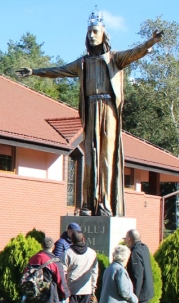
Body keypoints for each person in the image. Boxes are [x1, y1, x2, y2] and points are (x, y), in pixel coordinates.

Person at [17, 13, 163, 216]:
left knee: (106, 156)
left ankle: (105, 205)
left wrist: (151, 41)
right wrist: (34, 71)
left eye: (96, 31)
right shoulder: (83, 63)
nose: (92, 35)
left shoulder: (115, 59)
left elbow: (135, 52)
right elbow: (58, 70)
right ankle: (88, 204)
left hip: (108, 110)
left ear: (104, 34)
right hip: (90, 110)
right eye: (89, 32)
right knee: (90, 156)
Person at [62, 229, 99, 303]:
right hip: (86, 288)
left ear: (71, 240)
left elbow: (63, 272)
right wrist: (93, 287)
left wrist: (64, 288)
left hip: (71, 288)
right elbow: (94, 271)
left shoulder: (67, 253)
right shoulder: (92, 253)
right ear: (83, 239)